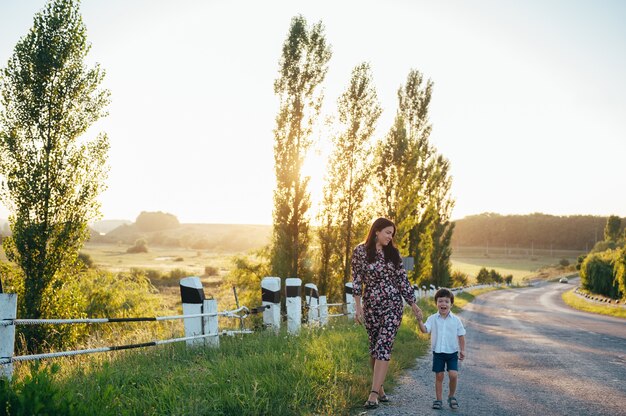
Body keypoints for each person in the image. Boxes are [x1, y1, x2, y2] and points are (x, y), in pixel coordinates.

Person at [351, 217, 422, 409]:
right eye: (387, 233)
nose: (390, 237)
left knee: (384, 345)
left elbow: (402, 280)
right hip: (371, 305)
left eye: (392, 234)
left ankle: (373, 394)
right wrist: (358, 307)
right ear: (376, 231)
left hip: (392, 305)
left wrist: (413, 304)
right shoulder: (360, 251)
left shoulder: (393, 253)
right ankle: (380, 388)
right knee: (374, 348)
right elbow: (357, 280)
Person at [416, 288, 466, 410]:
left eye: (446, 301)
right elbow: (424, 330)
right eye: (440, 301)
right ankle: (438, 400)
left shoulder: (456, 320)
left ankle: (451, 396)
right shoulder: (432, 318)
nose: (443, 304)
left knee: (453, 375)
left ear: (451, 304)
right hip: (438, 353)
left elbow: (461, 335)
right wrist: (419, 320)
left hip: (452, 353)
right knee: (439, 376)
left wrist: (462, 350)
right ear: (436, 303)